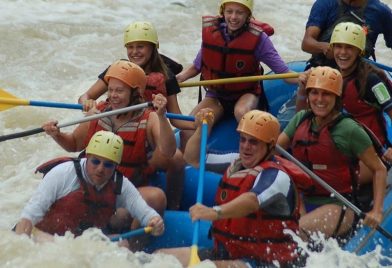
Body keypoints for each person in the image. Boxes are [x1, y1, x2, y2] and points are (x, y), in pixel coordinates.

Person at [157, 110, 309, 267]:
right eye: (242, 140)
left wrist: (214, 212)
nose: (246, 147)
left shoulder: (277, 176)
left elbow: (252, 200)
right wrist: (204, 128)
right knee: (161, 257)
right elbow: (193, 158)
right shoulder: (235, 162)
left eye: (253, 142)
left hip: (268, 261)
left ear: (270, 146)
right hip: (231, 253)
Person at [42, 60, 176, 215]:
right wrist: (57, 135)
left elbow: (168, 151)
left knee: (153, 199)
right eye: (110, 90)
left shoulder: (150, 119)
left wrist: (162, 117)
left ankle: (133, 237)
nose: (113, 96)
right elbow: (73, 144)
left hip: (125, 189)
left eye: (119, 91)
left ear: (135, 93)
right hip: (91, 185)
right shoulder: (98, 112)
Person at [78, 21, 186, 210]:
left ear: (153, 48)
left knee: (176, 159)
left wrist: (201, 123)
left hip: (145, 136)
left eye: (140, 47)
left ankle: (173, 204)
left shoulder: (165, 75)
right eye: (131, 47)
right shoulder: (118, 69)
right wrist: (86, 103)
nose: (135, 52)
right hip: (116, 129)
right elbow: (86, 96)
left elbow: (176, 117)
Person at [278, 66, 387, 241]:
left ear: (336, 98)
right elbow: (274, 150)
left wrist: (377, 211)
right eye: (314, 93)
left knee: (294, 234)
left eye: (326, 94)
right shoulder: (301, 119)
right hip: (303, 199)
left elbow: (379, 169)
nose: (319, 99)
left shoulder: (349, 129)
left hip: (338, 206)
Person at [176, 0, 298, 150]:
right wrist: (179, 78)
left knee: (242, 112)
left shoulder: (259, 39)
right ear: (223, 13)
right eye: (229, 11)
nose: (233, 17)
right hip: (216, 95)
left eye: (239, 12)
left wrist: (304, 77)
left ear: (248, 15)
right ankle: (186, 166)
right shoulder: (212, 33)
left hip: (245, 94)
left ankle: (250, 157)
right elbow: (196, 66)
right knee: (187, 130)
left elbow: (283, 73)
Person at [14, 131, 164, 249]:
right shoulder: (63, 174)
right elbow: (28, 217)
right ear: (88, 156)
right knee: (62, 248)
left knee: (123, 245)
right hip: (43, 235)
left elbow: (145, 213)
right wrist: (20, 248)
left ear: (116, 166)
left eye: (108, 165)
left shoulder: (120, 184)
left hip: (82, 243)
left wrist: (155, 222)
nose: (100, 169)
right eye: (96, 161)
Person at [297, 22, 392, 184]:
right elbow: (302, 116)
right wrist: (302, 88)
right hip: (337, 147)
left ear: (359, 51)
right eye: (338, 47)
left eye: (349, 48)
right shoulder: (328, 74)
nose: (342, 53)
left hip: (370, 153)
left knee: (333, 183)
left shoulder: (372, 80)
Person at [301, 0, 392, 68]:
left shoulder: (382, 12)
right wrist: (323, 47)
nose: (343, 52)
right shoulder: (325, 4)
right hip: (322, 68)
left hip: (359, 72)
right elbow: (306, 43)